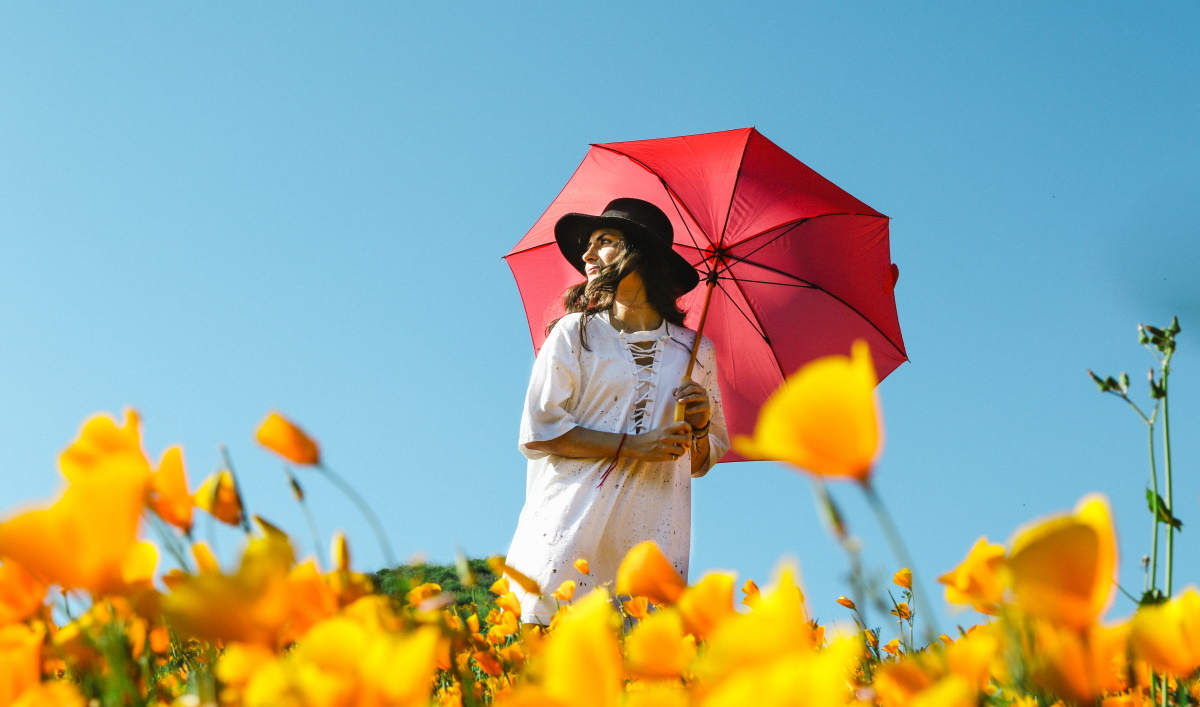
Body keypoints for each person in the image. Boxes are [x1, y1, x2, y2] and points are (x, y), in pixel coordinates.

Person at [504, 197, 729, 623]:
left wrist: (699, 427)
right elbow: (540, 430)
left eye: (604, 241)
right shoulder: (575, 333)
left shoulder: (696, 352)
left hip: (652, 529)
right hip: (568, 520)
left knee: (637, 666)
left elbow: (699, 461)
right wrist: (633, 446)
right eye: (588, 245)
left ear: (641, 253)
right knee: (549, 651)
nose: (587, 255)